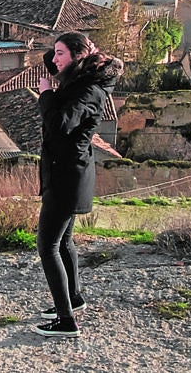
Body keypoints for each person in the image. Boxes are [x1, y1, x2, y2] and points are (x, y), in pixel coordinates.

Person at [33, 32, 123, 338]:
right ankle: (73, 298)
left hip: (65, 177)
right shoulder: (81, 80)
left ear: (76, 57)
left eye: (60, 53)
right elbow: (53, 62)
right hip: (70, 173)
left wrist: (45, 95)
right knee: (65, 241)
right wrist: (61, 54)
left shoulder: (87, 91)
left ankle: (66, 320)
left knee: (47, 247)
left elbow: (59, 125)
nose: (53, 59)